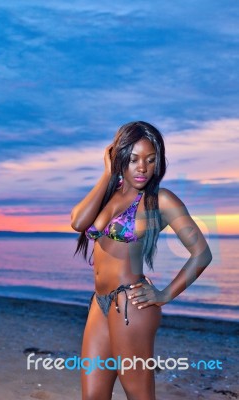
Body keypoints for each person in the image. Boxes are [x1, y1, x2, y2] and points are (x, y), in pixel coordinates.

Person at [70, 121, 212, 400]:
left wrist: (164, 294)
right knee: (93, 396)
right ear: (119, 157)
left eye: (150, 159)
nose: (143, 168)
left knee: (139, 395)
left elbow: (202, 253)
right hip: (99, 303)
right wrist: (107, 173)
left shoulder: (161, 201)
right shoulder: (109, 193)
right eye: (133, 159)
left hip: (131, 305)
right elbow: (78, 221)